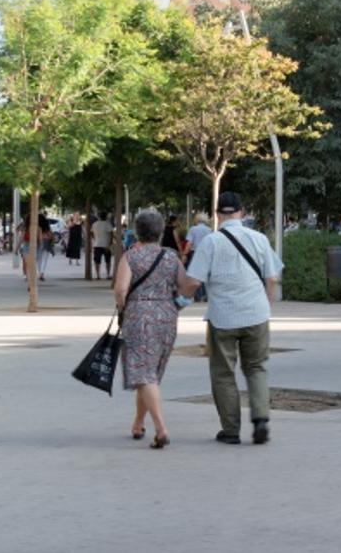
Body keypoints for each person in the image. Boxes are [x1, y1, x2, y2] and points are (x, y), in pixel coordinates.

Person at [181, 192, 283, 446]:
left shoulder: (211, 242)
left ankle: (231, 430)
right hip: (256, 315)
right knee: (257, 367)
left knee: (223, 374)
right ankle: (260, 419)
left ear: (217, 214)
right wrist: (266, 303)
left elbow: (194, 281)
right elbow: (272, 277)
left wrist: (181, 301)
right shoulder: (259, 239)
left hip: (222, 318)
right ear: (242, 212)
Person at [114, 211, 191, 449]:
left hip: (138, 317)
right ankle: (138, 423)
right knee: (150, 374)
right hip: (167, 318)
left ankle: (161, 429)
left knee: (144, 374)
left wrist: (123, 308)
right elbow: (186, 286)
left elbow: (120, 289)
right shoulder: (171, 257)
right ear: (159, 232)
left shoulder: (130, 257)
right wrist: (173, 303)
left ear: (137, 231)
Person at [183, 213, 212, 301]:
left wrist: (184, 254)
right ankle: (206, 295)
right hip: (207, 253)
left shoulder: (193, 229)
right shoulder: (209, 230)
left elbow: (189, 243)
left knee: (195, 275)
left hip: (195, 253)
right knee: (206, 275)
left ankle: (198, 296)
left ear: (196, 220)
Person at [91, 212, 115, 279]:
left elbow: (92, 234)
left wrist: (96, 239)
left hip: (97, 244)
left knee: (97, 261)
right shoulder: (108, 224)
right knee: (108, 261)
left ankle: (98, 275)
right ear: (106, 216)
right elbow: (111, 235)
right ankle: (107, 274)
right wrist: (109, 244)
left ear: (99, 217)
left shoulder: (94, 224)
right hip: (106, 245)